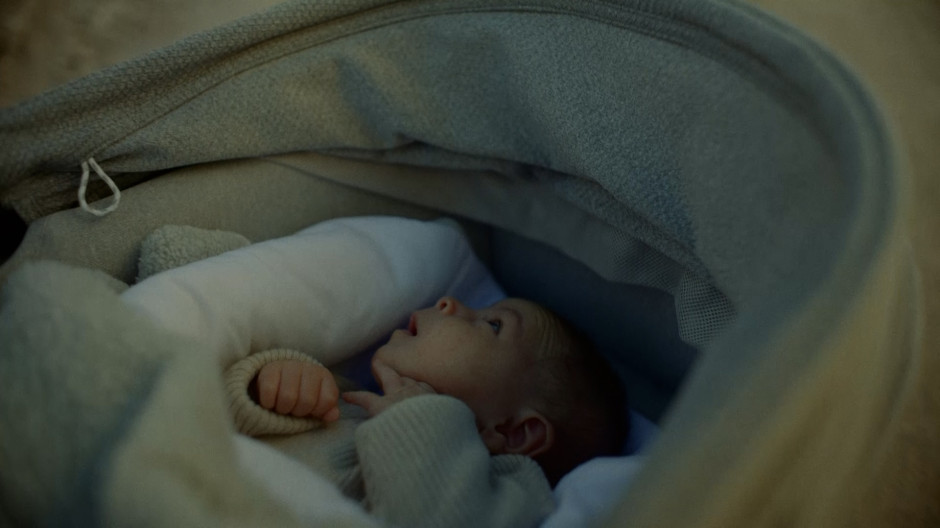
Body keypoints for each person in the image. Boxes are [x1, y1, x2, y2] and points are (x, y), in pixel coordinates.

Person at [225, 295, 627, 527]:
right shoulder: (342, 401)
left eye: (492, 325)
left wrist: (422, 419)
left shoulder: (509, 491)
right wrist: (268, 384)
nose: (450, 303)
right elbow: (217, 417)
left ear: (512, 433)